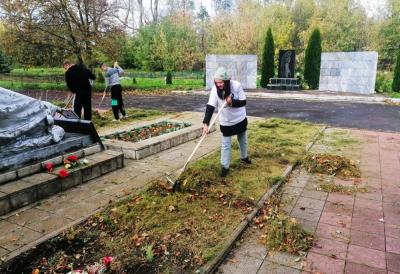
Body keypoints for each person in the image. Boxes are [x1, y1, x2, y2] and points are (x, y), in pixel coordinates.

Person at [202, 67, 251, 177]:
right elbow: (210, 106)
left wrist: (232, 102)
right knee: (225, 144)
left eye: (220, 82)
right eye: (216, 82)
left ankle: (244, 157)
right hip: (226, 121)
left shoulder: (236, 85)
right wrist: (206, 124)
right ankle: (225, 166)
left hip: (239, 118)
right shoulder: (215, 90)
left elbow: (243, 102)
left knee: (242, 139)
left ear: (226, 81)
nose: (218, 85)